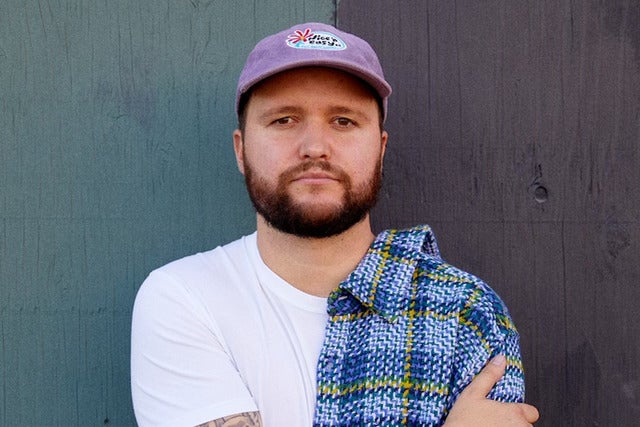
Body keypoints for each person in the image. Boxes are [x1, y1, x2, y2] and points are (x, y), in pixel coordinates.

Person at [131, 22, 539, 426]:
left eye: (343, 121)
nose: (315, 147)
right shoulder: (186, 299)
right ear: (241, 150)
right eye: (284, 120)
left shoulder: (464, 312)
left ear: (380, 149)